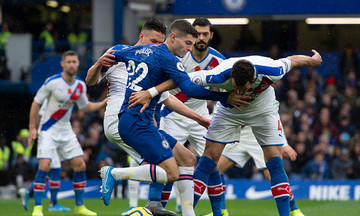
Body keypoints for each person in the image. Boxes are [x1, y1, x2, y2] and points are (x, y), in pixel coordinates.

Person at [130, 49, 322, 216]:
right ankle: (189, 211)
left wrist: (312, 60)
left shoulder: (273, 70)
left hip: (263, 111)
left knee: (275, 163)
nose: (238, 91)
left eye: (243, 88)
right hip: (228, 111)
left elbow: (294, 60)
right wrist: (151, 92)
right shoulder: (218, 75)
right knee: (207, 160)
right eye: (235, 87)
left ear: (253, 79)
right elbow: (182, 80)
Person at [98, 19, 250, 215]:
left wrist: (102, 62)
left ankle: (187, 213)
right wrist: (224, 97)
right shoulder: (168, 59)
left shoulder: (142, 50)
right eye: (187, 43)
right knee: (171, 173)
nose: (189, 48)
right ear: (173, 37)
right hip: (137, 122)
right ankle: (116, 175)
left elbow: (118, 55)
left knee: (187, 159)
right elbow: (188, 88)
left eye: (192, 45)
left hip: (135, 120)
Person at [157, 17, 225, 214]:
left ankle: (219, 212)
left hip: (201, 117)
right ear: (191, 35)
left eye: (205, 34)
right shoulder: (178, 53)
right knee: (167, 164)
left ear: (211, 35)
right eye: (197, 34)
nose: (201, 38)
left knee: (212, 164)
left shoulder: (219, 60)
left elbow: (223, 93)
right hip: (171, 115)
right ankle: (159, 209)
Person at [28, 50, 107, 216]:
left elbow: (85, 107)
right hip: (48, 129)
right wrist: (32, 128)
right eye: (68, 62)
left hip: (65, 130)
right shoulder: (52, 82)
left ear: (78, 64)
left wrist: (103, 102)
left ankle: (80, 207)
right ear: (62, 64)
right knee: (44, 166)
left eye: (74, 61)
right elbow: (36, 103)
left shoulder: (80, 85)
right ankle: (37, 208)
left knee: (80, 165)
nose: (71, 64)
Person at [201, 126, 305, 216]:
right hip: (238, 136)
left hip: (256, 135)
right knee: (215, 169)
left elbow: (272, 114)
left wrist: (284, 144)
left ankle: (294, 209)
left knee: (272, 175)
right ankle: (222, 211)